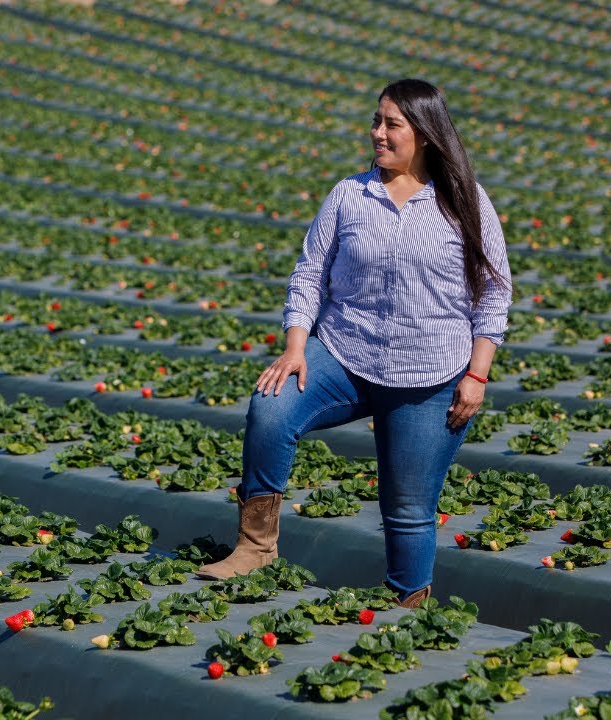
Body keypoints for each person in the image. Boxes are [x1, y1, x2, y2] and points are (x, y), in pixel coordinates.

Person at [195, 79, 512, 609]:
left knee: (407, 507)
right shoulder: (350, 194)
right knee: (271, 407)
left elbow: (493, 293)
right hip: (346, 353)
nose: (377, 134)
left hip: (429, 374)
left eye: (392, 125)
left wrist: (477, 375)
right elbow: (309, 274)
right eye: (376, 121)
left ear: (426, 135)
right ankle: (255, 545)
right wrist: (297, 347)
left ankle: (405, 607)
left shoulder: (464, 203)